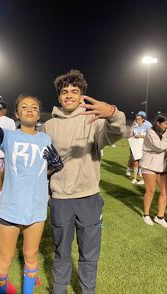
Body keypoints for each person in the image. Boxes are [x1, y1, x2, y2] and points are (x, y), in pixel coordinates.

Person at [0, 94, 63, 294]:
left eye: (34, 107)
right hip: (11, 208)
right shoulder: (8, 136)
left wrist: (55, 167)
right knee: (5, 258)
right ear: (17, 113)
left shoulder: (45, 138)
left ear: (38, 114)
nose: (29, 110)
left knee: (31, 256)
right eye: (24, 107)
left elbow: (43, 171)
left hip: (36, 208)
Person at [44, 69, 126, 294]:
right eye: (64, 92)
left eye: (74, 91)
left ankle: (88, 291)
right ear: (59, 97)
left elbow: (117, 132)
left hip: (89, 198)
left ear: (82, 96)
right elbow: (43, 164)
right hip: (60, 199)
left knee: (89, 254)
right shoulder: (49, 126)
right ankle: (58, 290)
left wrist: (112, 113)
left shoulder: (95, 120)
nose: (69, 95)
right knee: (61, 252)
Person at [139, 115, 167, 228]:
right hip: (149, 164)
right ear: (158, 123)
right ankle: (145, 214)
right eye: (165, 124)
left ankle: (160, 217)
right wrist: (166, 135)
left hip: (163, 166)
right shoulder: (150, 132)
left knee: (165, 193)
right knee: (150, 191)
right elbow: (159, 147)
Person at [126, 111, 152, 177]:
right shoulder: (135, 123)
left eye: (139, 117)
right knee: (132, 158)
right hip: (134, 144)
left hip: (143, 144)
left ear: (143, 118)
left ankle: (139, 171)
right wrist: (132, 126)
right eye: (137, 118)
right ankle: (128, 169)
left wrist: (140, 136)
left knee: (141, 158)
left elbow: (150, 135)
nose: (137, 119)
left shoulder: (148, 124)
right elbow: (131, 134)